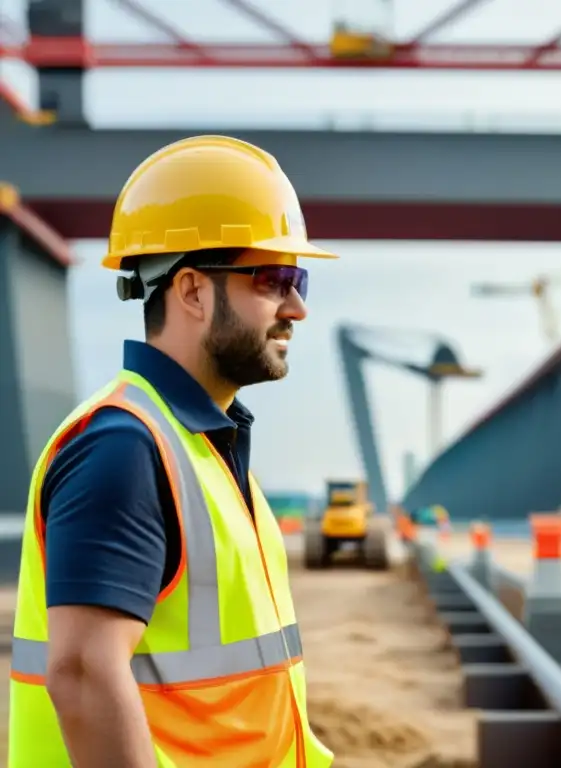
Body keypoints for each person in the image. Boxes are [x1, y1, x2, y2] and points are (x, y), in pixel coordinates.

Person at [8, 135, 339, 767]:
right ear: (191, 291)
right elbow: (81, 675)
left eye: (300, 279)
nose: (297, 306)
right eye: (274, 278)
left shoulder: (206, 446)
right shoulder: (123, 447)